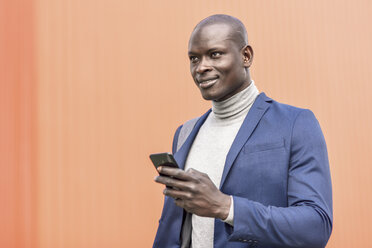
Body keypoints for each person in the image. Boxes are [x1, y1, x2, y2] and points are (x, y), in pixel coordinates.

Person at [153, 14, 332, 248]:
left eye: (215, 54)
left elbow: (316, 226)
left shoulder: (295, 123)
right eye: (194, 58)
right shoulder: (185, 133)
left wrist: (226, 207)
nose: (201, 67)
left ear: (246, 56)